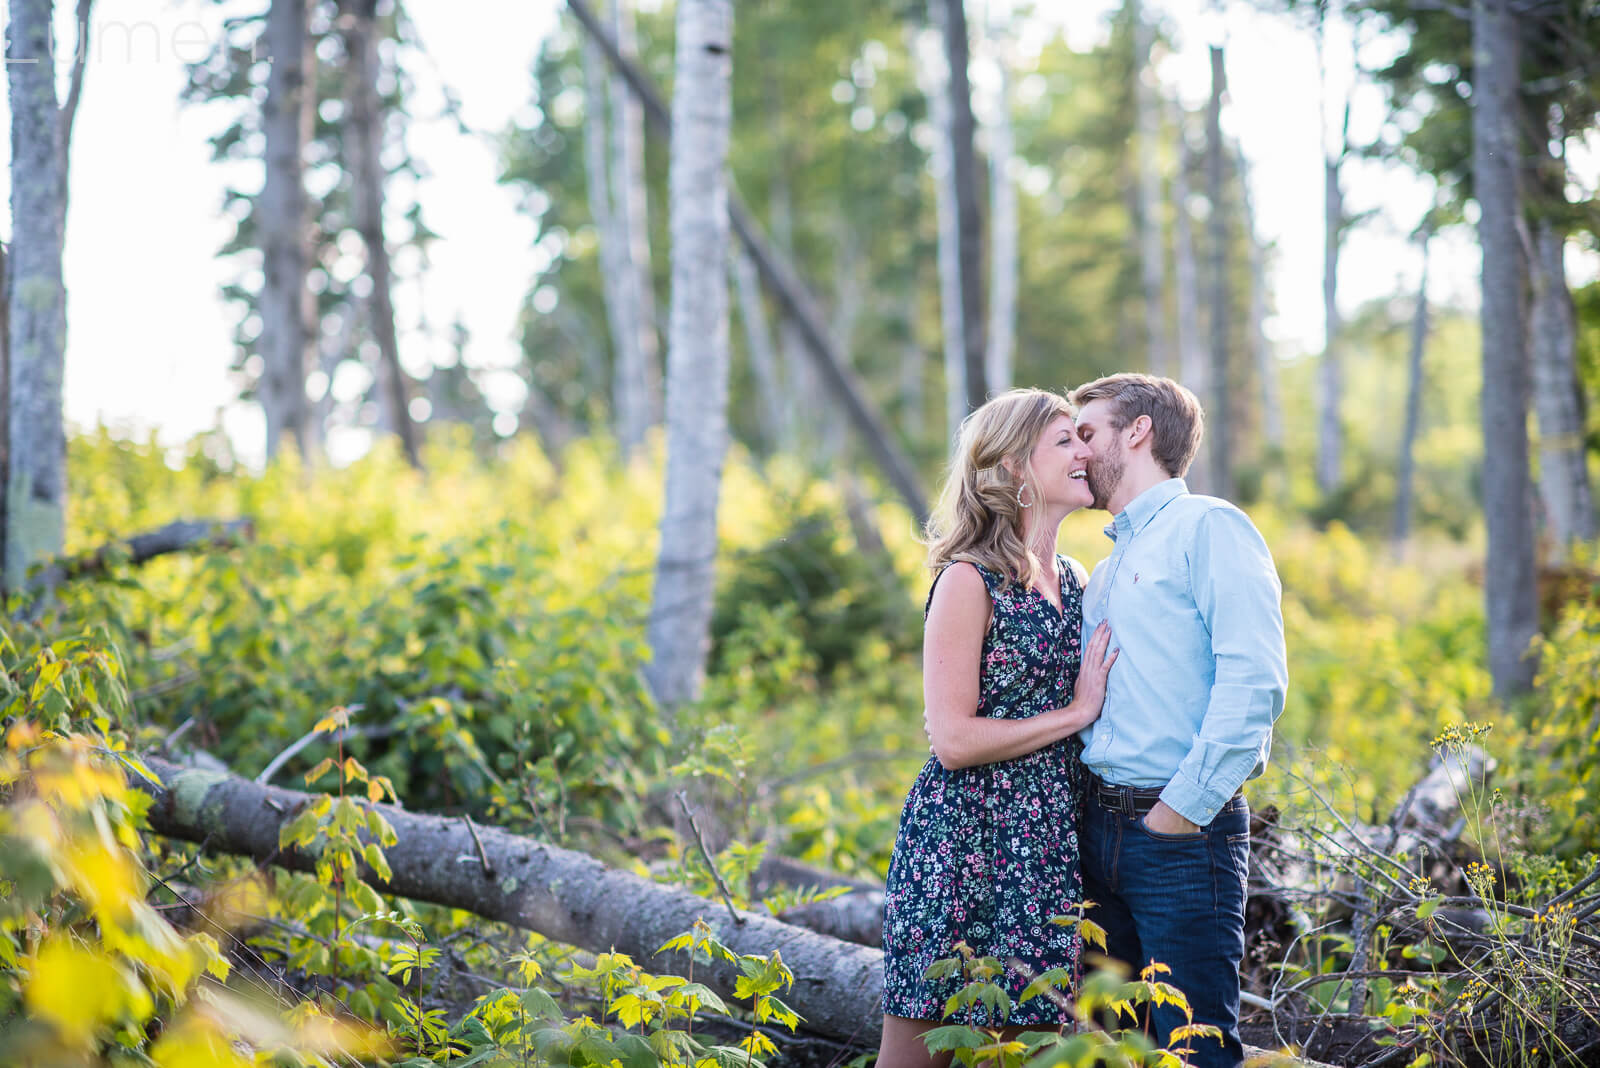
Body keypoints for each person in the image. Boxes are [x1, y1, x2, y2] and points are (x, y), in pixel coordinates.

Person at [879, 388, 1119, 1068]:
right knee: (921, 1052)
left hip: (1043, 844)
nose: (1084, 452)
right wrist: (1075, 714)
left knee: (1019, 1051)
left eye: (1084, 437)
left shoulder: (1073, 579)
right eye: (1065, 441)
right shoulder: (968, 580)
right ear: (1015, 467)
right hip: (963, 842)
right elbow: (952, 741)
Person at [1067, 373, 1288, 1068]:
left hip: (1180, 840)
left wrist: (1179, 812)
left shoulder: (1209, 527)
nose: (1077, 451)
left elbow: (1254, 680)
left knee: (1193, 1049)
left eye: (1088, 432)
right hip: (1097, 833)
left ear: (1138, 432)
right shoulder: (1107, 566)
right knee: (1112, 1048)